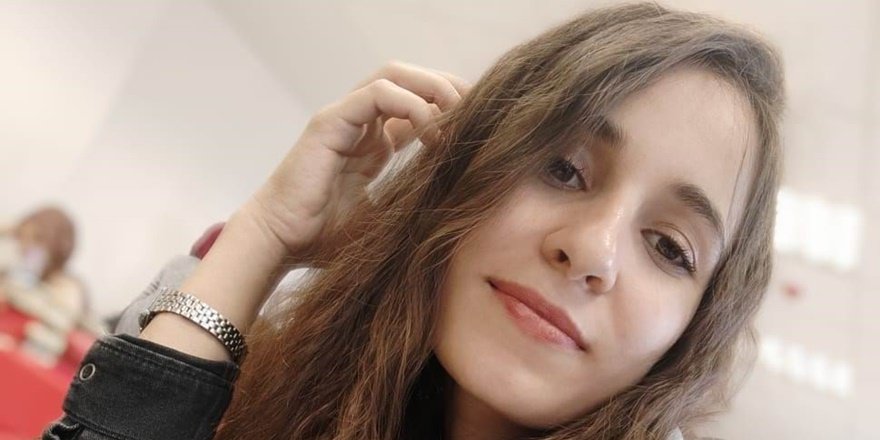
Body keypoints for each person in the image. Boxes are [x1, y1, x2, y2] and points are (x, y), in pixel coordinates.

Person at [43, 3, 785, 439]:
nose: (592, 249)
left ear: (692, 331)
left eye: (669, 248)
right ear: (463, 168)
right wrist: (265, 235)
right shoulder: (280, 383)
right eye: (562, 168)